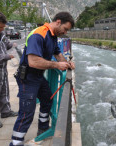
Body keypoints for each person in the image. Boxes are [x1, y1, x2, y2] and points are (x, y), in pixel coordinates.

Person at [10, 12, 75, 145]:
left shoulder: (53, 36)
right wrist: (57, 65)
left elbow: (57, 54)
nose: (65, 32)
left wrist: (67, 64)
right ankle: (16, 142)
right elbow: (33, 61)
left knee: (47, 99)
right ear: (58, 22)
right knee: (27, 112)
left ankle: (43, 127)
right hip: (28, 77)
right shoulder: (39, 34)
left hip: (38, 76)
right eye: (65, 29)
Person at [0, 12, 18, 128]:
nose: (2, 29)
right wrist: (7, 56)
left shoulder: (0, 33)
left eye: (3, 27)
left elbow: (6, 44)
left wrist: (13, 45)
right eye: (0, 27)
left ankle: (6, 111)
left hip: (2, 69)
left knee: (4, 91)